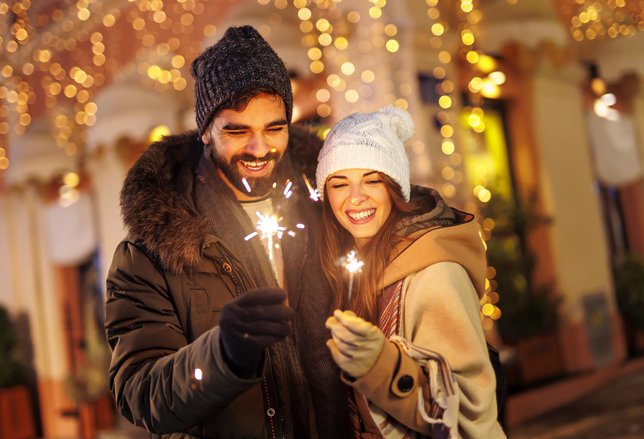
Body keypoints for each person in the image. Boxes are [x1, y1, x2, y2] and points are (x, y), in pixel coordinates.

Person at [105, 26, 350, 438]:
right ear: (205, 131)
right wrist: (222, 354)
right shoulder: (151, 249)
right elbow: (140, 393)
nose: (259, 149)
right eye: (237, 131)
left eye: (274, 128)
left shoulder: (332, 203)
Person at [315, 107, 506, 438]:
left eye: (372, 180)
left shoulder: (436, 273)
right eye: (339, 183)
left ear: (395, 187)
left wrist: (380, 367)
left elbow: (471, 408)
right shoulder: (346, 270)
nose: (355, 198)